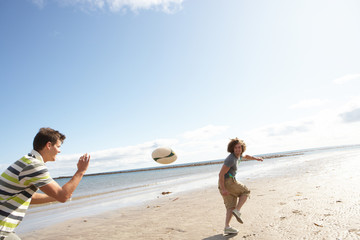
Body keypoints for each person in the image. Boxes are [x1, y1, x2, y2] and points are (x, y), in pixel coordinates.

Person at [0, 128, 90, 240]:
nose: (59, 151)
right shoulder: (33, 165)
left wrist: (55, 197)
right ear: (48, 145)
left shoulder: (28, 161)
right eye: (58, 146)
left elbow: (29, 198)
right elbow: (62, 195)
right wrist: (81, 171)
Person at [218, 138, 263, 235]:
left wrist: (256, 158)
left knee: (230, 206)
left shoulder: (239, 155)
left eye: (239, 147)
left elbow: (246, 156)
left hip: (225, 183)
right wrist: (223, 189)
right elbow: (221, 174)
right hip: (227, 182)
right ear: (232, 149)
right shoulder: (230, 159)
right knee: (245, 192)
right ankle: (237, 211)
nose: (238, 149)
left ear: (242, 148)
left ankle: (227, 227)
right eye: (236, 148)